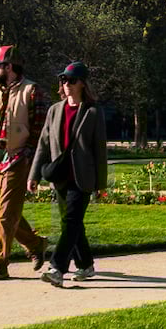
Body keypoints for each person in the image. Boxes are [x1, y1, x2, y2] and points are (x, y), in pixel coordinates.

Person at [0, 45, 51, 280]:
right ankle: (35, 245)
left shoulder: (32, 91)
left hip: (19, 159)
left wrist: (28, 156)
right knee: (1, 212)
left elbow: (40, 129)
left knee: (5, 213)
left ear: (10, 66)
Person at [29, 61, 108, 288]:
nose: (66, 84)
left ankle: (57, 268)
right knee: (72, 224)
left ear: (82, 83)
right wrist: (33, 175)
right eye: (63, 80)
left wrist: (100, 185)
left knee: (71, 221)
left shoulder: (93, 112)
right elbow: (43, 145)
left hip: (82, 179)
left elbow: (100, 151)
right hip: (60, 176)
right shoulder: (55, 110)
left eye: (71, 80)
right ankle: (86, 265)